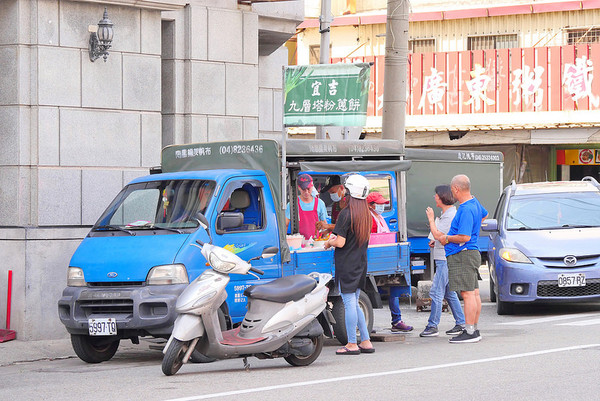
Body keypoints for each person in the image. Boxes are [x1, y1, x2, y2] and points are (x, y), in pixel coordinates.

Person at [426, 174, 488, 343]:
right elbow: (484, 214)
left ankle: (469, 331)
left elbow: (464, 237)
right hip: (471, 252)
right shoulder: (474, 202)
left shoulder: (466, 209)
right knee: (474, 293)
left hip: (463, 253)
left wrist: (447, 238)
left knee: (467, 294)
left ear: (456, 189)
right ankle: (473, 328)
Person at [324, 174, 375, 355]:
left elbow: (341, 242)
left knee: (349, 302)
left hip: (346, 264)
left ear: (349, 191)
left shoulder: (346, 214)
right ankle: (366, 341)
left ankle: (352, 343)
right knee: (354, 302)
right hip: (360, 263)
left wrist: (329, 242)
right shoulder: (365, 214)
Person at [420, 185, 466, 337]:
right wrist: (435, 239)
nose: (435, 198)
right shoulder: (446, 213)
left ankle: (432, 326)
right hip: (443, 256)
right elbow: (440, 237)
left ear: (443, 197)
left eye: (436, 196)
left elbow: (440, 235)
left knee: (436, 292)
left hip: (444, 259)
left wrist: (431, 220)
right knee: (449, 292)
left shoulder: (450, 215)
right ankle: (461, 323)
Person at [367, 192, 413, 333]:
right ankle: (367, 323)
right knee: (370, 292)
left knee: (394, 287)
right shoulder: (369, 218)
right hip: (374, 259)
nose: (382, 206)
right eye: (379, 204)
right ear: (371, 205)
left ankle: (397, 320)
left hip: (384, 257)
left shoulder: (378, 216)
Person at [285, 173, 328, 240]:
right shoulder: (292, 204)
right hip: (298, 243)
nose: (306, 192)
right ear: (299, 188)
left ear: (312, 186)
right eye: (303, 189)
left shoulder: (320, 203)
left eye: (308, 189)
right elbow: (285, 224)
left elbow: (324, 224)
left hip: (316, 242)